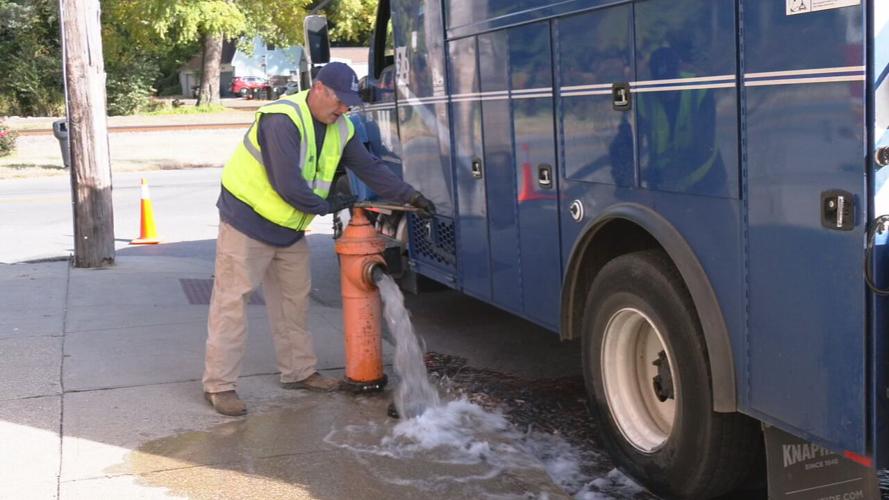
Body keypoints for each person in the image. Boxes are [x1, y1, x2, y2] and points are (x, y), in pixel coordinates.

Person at [203, 62, 436, 416]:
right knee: (232, 305)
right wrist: (327, 205)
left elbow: (369, 167)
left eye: (348, 103)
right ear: (319, 88)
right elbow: (288, 184)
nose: (343, 108)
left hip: (290, 227)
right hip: (247, 223)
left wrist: (410, 196)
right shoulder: (282, 120)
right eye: (339, 100)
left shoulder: (340, 128)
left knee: (293, 303)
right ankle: (219, 386)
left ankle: (298, 373)